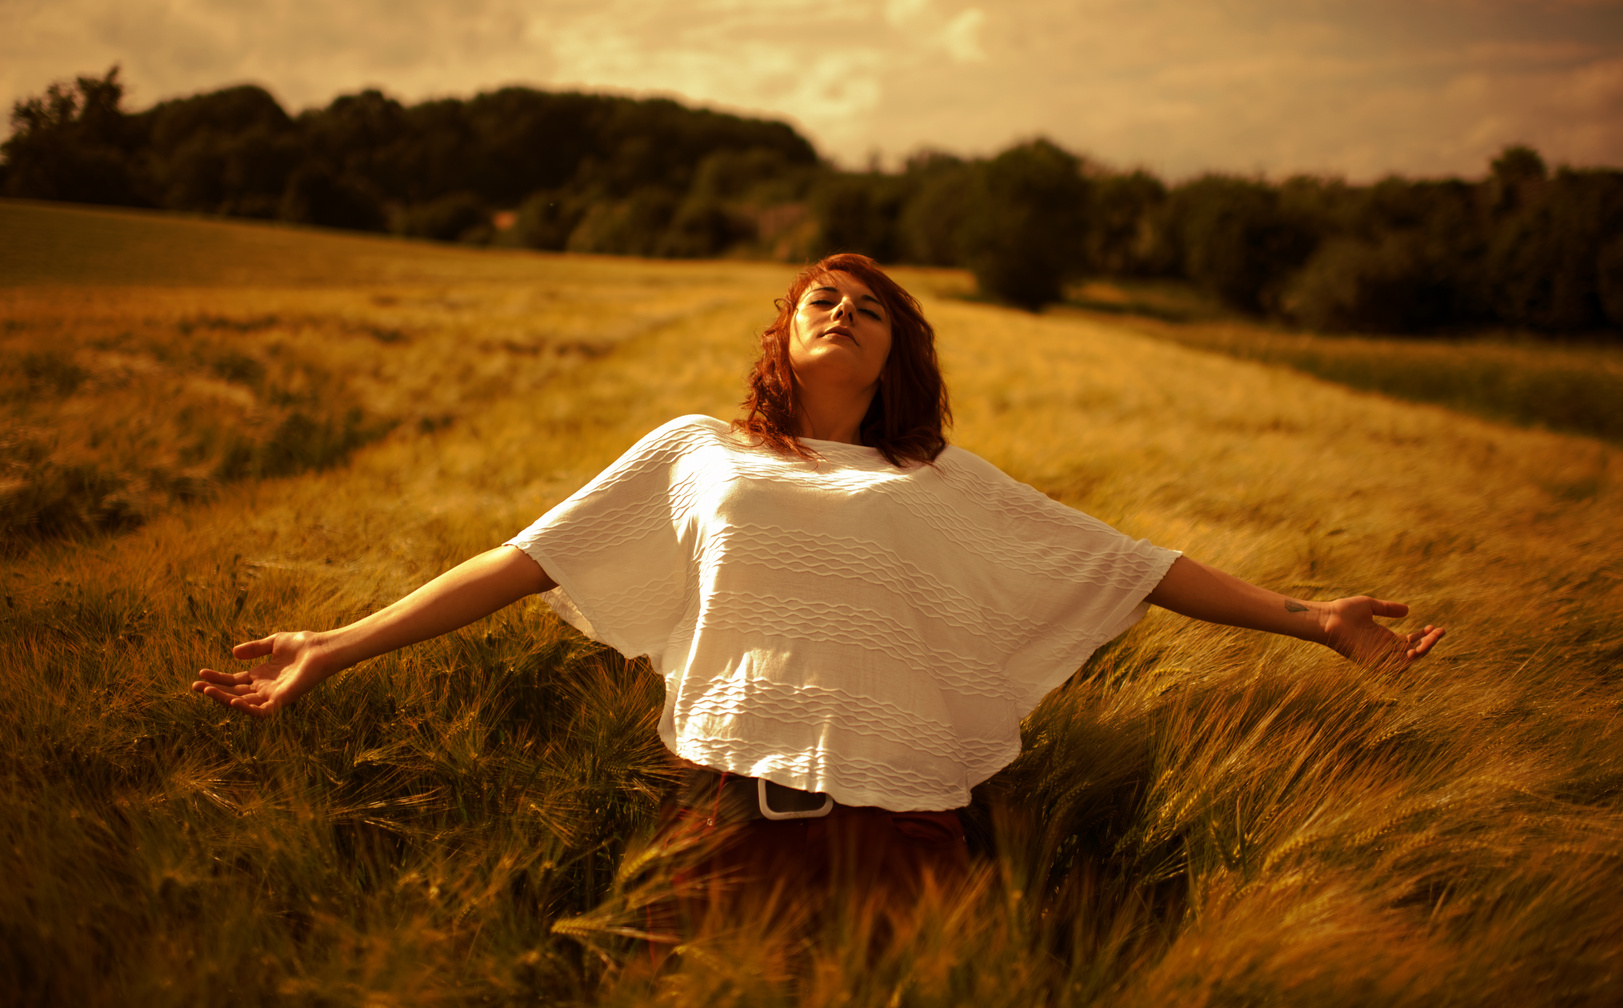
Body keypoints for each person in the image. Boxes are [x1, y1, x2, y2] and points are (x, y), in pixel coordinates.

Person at [192, 253, 1444, 921]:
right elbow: (523, 562)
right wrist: (335, 644)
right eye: (820, 301)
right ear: (786, 339)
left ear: (897, 352)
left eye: (870, 309)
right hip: (735, 821)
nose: (843, 312)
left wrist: (1313, 619)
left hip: (911, 831)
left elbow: (1134, 566)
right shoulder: (698, 450)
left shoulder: (945, 475)